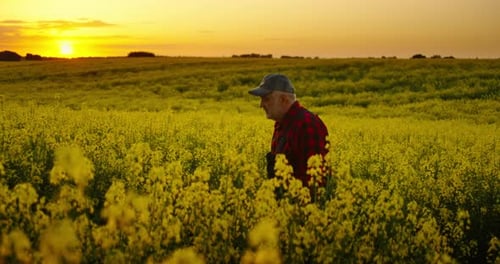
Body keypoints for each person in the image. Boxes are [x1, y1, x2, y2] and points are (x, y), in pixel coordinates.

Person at [249, 73, 329, 191]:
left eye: (266, 99)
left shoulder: (307, 124)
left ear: (284, 99)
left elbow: (316, 180)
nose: (261, 105)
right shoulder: (282, 124)